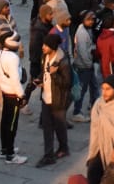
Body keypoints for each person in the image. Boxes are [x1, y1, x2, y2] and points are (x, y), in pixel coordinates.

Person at [36, 33, 73, 168]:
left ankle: (63, 148)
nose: (43, 47)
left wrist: (54, 75)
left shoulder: (63, 61)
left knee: (59, 126)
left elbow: (66, 83)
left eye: (46, 45)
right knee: (47, 127)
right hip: (46, 97)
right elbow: (43, 72)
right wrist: (40, 80)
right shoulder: (45, 56)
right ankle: (49, 155)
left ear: (53, 47)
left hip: (58, 99)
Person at [0, 30, 28, 165]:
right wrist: (22, 95)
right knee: (12, 125)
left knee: (5, 122)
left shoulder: (0, 54)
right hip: (13, 94)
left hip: (5, 91)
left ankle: (4, 149)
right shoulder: (13, 58)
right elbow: (15, 80)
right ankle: (11, 155)